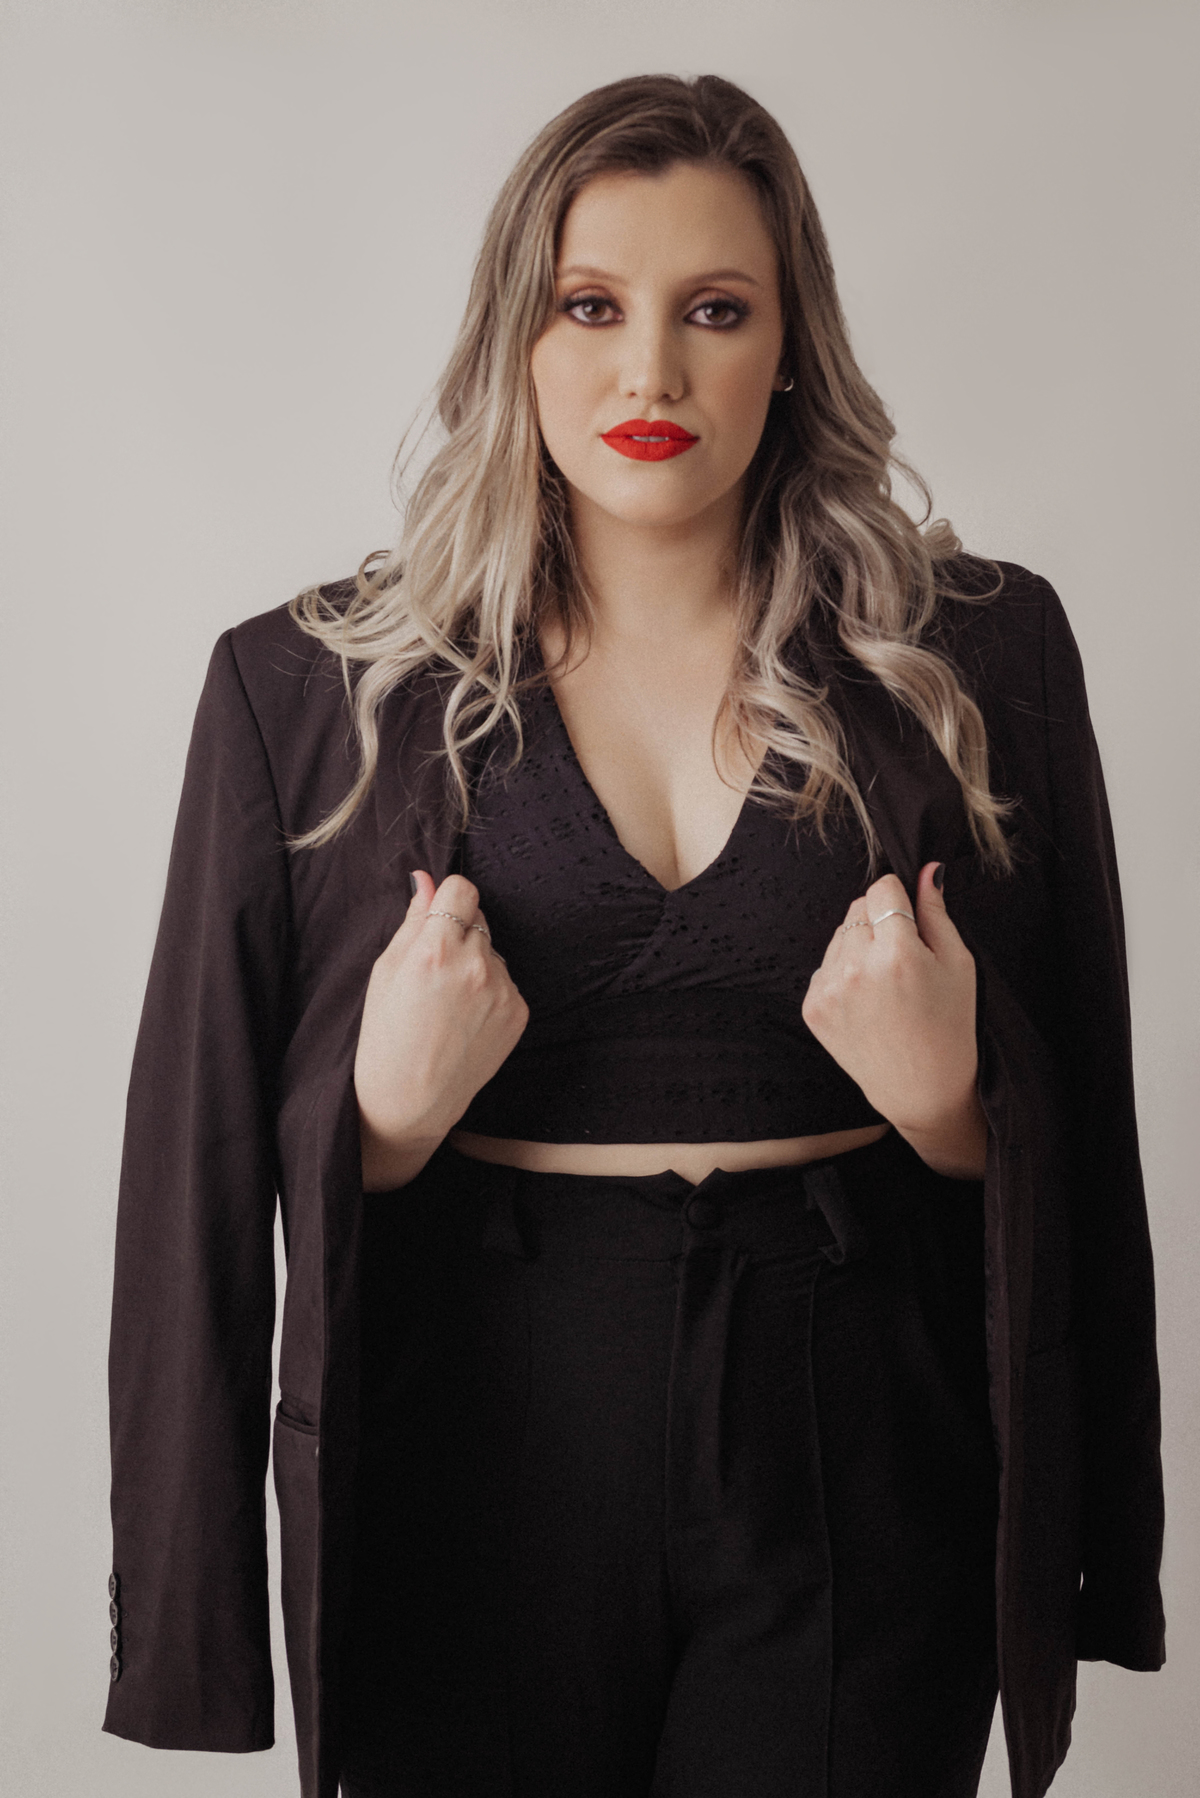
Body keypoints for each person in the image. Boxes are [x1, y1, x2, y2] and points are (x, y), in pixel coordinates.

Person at [102, 74, 1164, 1798]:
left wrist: (957, 1104)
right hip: (471, 1439)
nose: (649, 372)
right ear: (513, 340)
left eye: (715, 311)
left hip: (855, 1448)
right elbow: (192, 1170)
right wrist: (374, 1126)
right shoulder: (307, 690)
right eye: (590, 307)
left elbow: (1089, 1114)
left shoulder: (978, 658)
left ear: (792, 346)